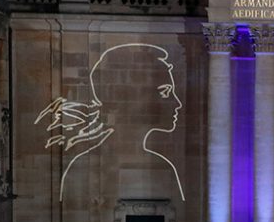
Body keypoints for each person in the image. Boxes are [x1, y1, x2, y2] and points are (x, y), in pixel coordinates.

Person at [37, 44, 186, 203]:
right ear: (128, 99)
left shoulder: (164, 167)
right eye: (165, 92)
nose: (177, 103)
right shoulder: (81, 167)